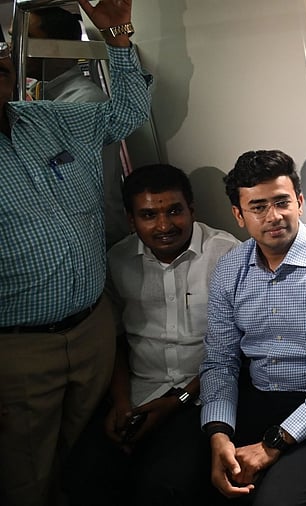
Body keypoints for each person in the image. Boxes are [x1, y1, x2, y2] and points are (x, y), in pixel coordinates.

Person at [0, 2, 152, 505]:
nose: (2, 58)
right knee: (25, 471)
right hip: (19, 350)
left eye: (3, 53)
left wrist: (116, 36)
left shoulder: (52, 117)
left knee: (84, 455)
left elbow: (128, 113)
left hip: (92, 330)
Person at [200, 150, 306, 506]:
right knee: (176, 483)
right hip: (257, 396)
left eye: (282, 202)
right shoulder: (229, 270)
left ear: (299, 201)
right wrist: (219, 433)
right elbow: (219, 362)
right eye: (258, 207)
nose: (274, 216)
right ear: (239, 215)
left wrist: (274, 444)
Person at [62, 164, 240, 505]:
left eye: (174, 211)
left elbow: (235, 349)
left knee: (164, 484)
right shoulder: (117, 260)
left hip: (201, 394)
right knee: (82, 474)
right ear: (131, 220)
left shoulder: (226, 254)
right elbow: (114, 339)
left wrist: (176, 403)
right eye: (148, 215)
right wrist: (122, 403)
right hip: (139, 390)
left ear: (192, 209)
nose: (163, 225)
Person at [25, 6, 133, 248]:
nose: (16, 49)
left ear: (58, 45)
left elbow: (57, 178)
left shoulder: (84, 102)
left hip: (97, 238)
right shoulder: (48, 96)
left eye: (28, 39)